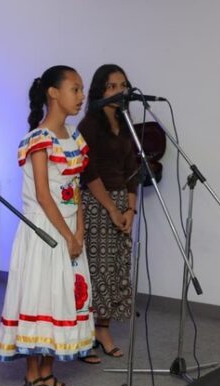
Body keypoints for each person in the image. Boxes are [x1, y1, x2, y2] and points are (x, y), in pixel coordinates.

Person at [0, 66, 95, 386]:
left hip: (70, 230)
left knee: (63, 296)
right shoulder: (38, 139)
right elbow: (42, 194)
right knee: (40, 295)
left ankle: (49, 372)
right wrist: (67, 235)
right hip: (44, 230)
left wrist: (79, 230)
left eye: (81, 89)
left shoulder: (74, 138)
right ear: (53, 93)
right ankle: (32, 375)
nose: (81, 96)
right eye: (74, 89)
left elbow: (75, 190)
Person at [77, 64, 139, 363]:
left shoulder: (126, 123)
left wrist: (130, 209)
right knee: (95, 270)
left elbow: (132, 169)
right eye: (112, 86)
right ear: (100, 90)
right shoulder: (89, 124)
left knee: (115, 269)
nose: (119, 91)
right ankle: (84, 334)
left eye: (123, 85)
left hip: (121, 202)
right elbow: (88, 172)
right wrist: (112, 209)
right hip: (96, 202)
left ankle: (103, 330)